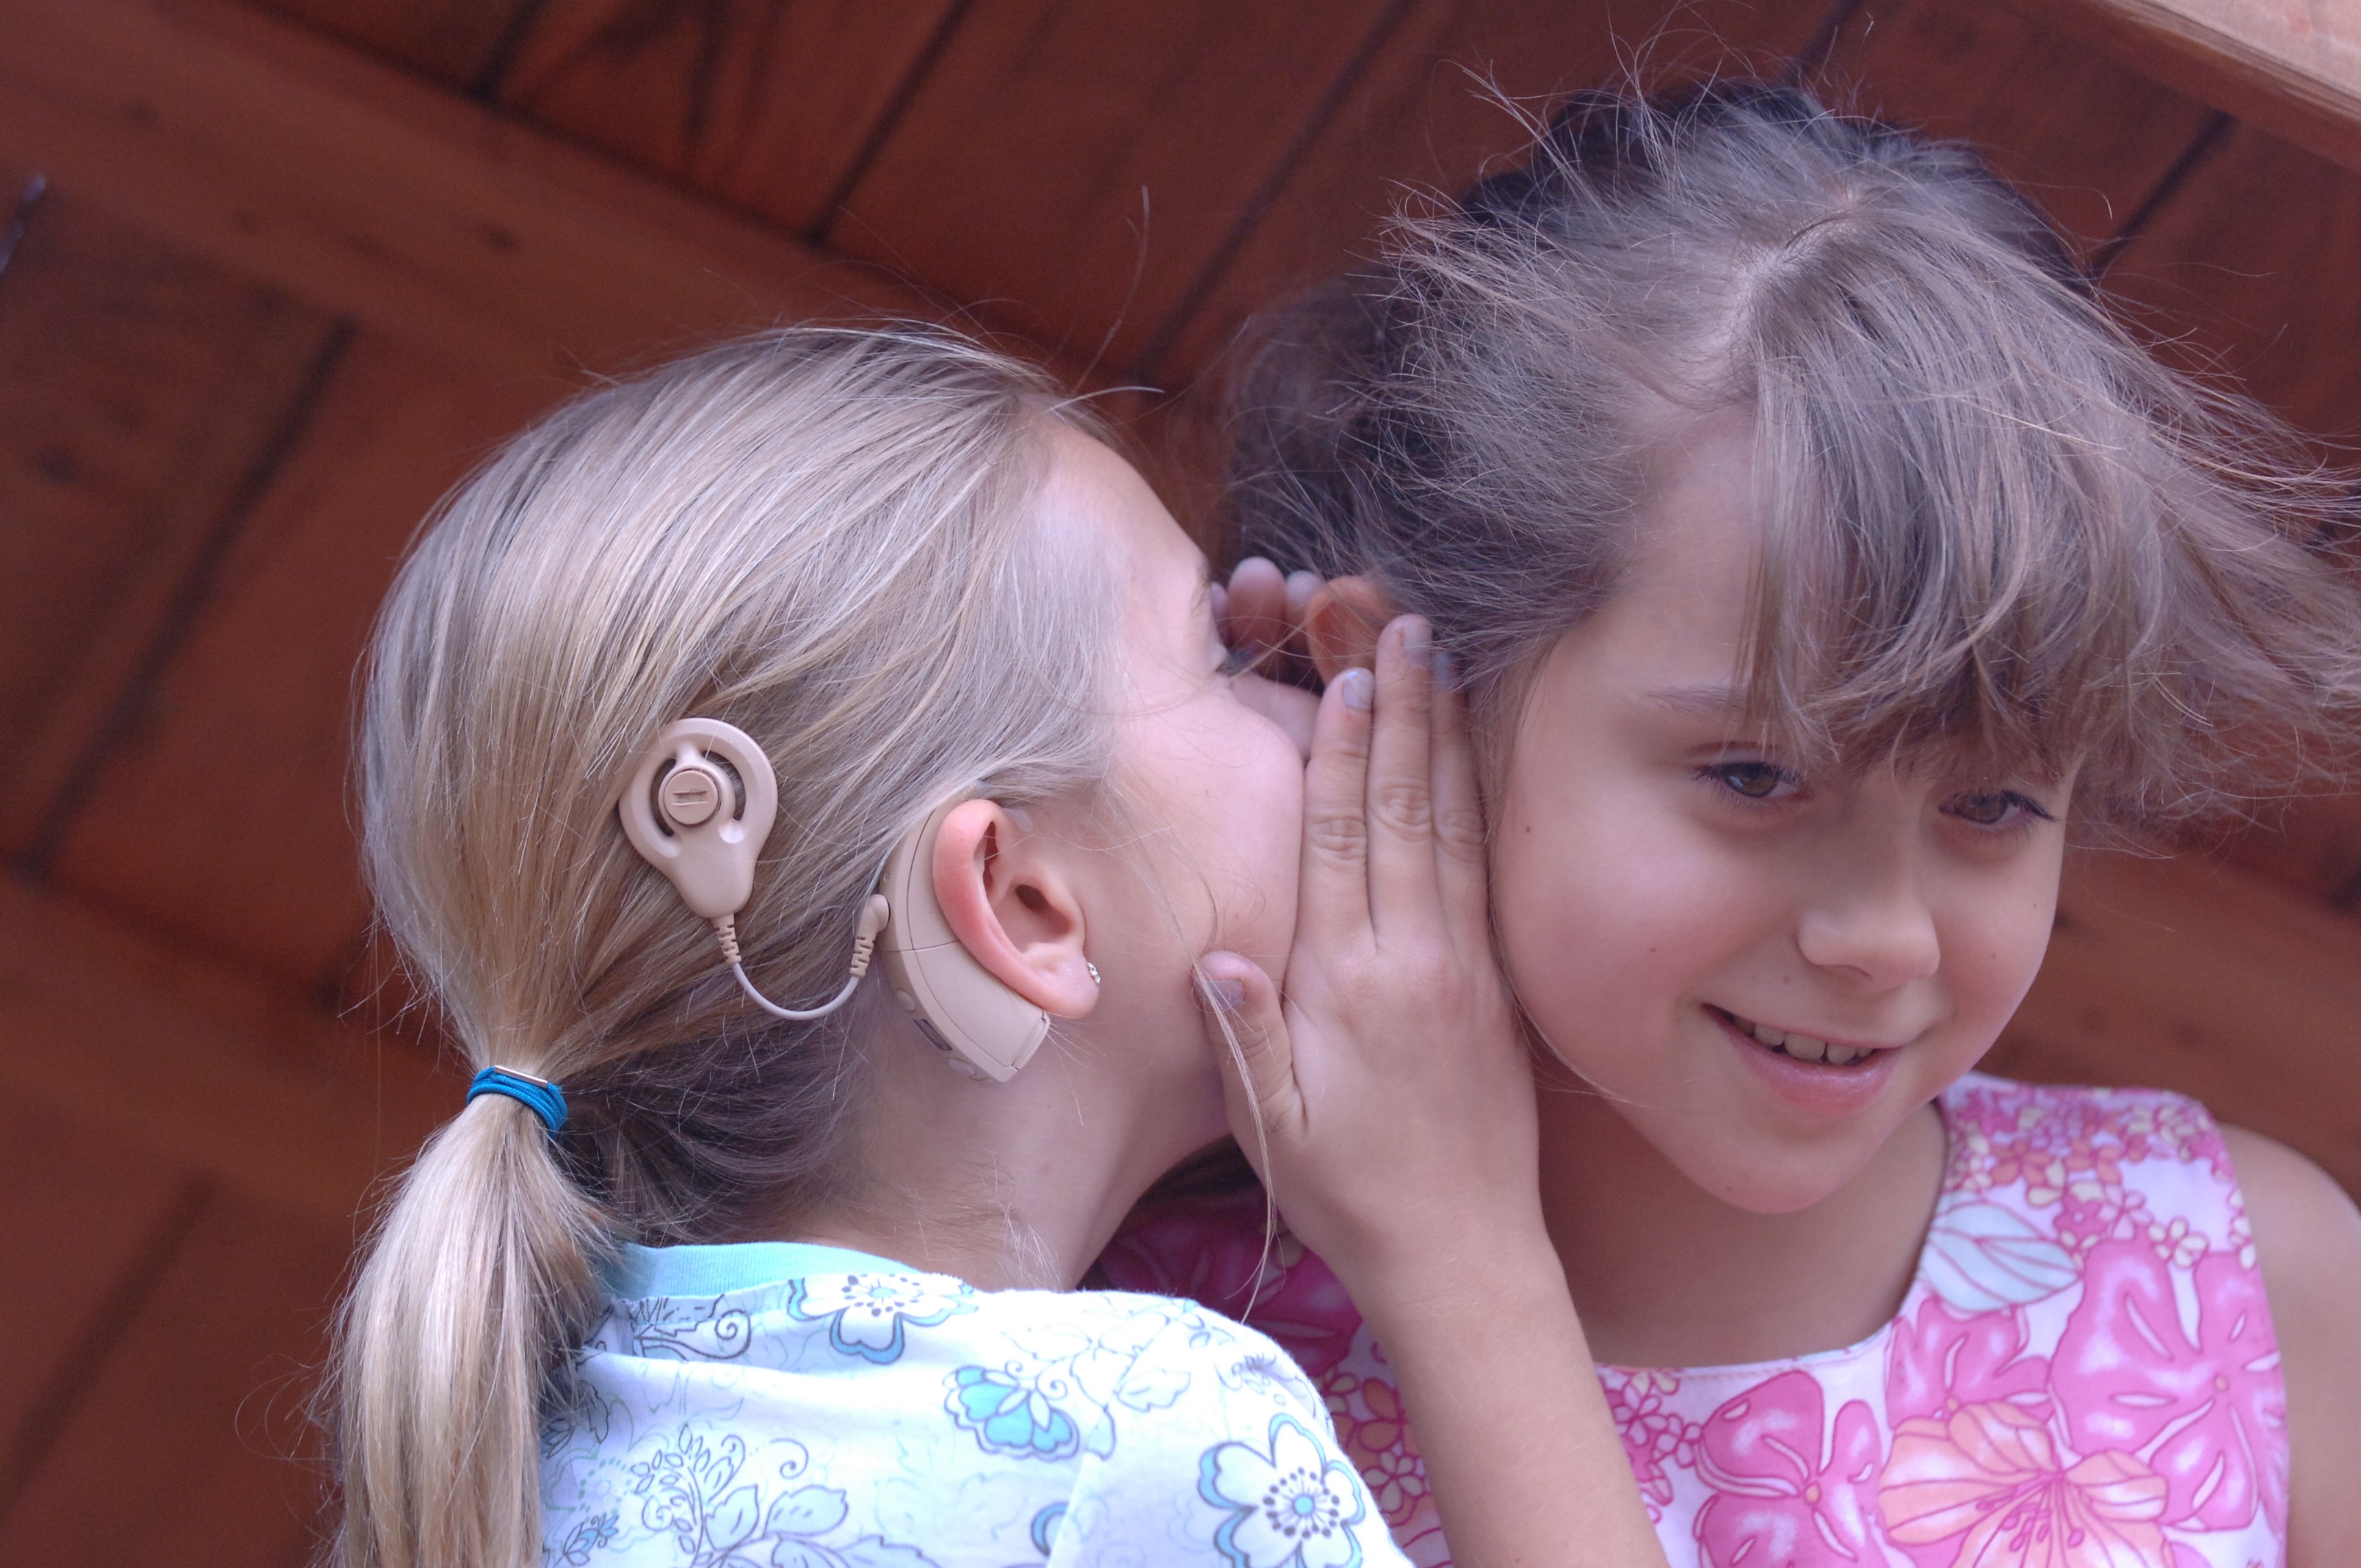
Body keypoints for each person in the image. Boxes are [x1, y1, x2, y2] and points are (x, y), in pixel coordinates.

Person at [1100, 83, 2361, 1567]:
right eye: (1756, 778)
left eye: (1993, 802)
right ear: (1406, 688)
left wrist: (1468, 1268)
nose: (1882, 938)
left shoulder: (2254, 1284)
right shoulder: (1141, 1356)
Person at [328, 326, 1664, 1568]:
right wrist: (1466, 1253)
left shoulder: (521, 1454)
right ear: (1023, 905)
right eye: (1218, 656)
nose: (1298, 689)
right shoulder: (1143, 1447)